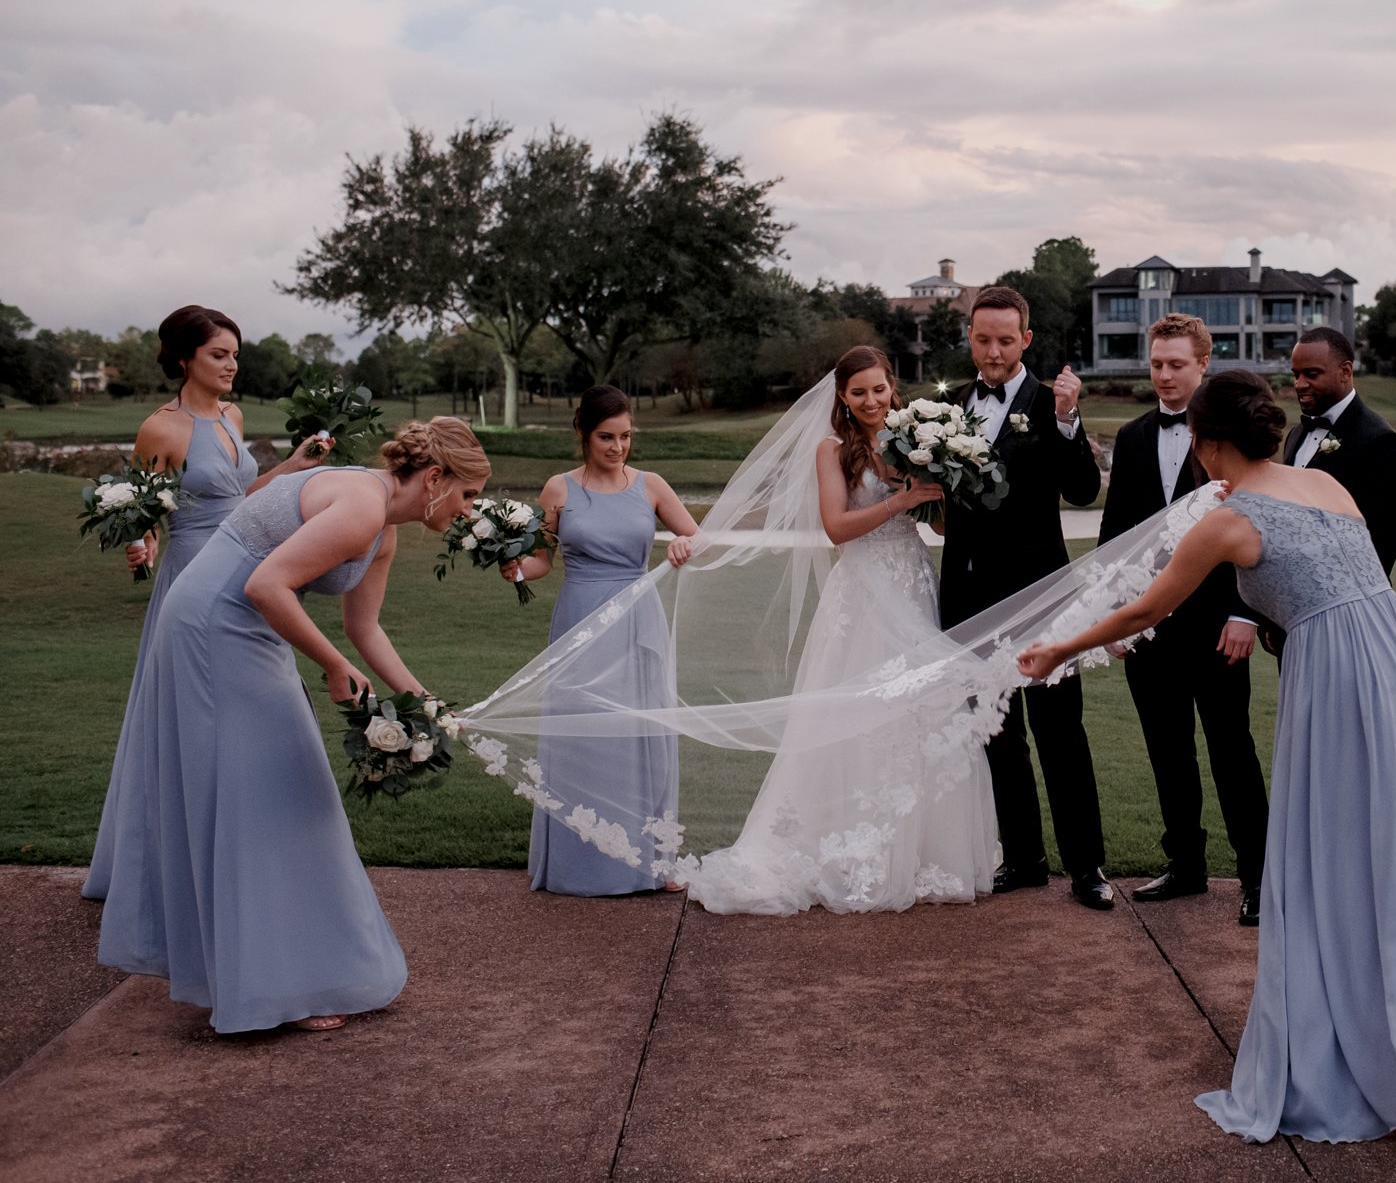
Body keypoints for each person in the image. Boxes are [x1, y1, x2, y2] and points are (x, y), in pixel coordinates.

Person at [1019, 370, 1396, 1144]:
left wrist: (1059, 648)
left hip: (1340, 678)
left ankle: (1355, 1052)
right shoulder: (1323, 482)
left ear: (1212, 443)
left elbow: (1149, 608)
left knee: (1335, 855)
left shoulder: (1229, 517)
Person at [96, 418, 490, 1032]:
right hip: (213, 627)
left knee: (279, 792)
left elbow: (367, 630)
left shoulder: (380, 529)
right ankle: (283, 981)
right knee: (280, 790)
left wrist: (427, 701)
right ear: (435, 479)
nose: (470, 510)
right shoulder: (360, 503)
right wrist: (332, 666)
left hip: (247, 627)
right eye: (467, 494)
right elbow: (265, 584)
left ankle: (275, 969)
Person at [684, 347, 999, 913]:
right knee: (856, 717)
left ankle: (925, 851)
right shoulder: (831, 450)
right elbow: (836, 528)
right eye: (859, 393)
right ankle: (848, 850)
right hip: (863, 596)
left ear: (893, 388)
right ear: (842, 399)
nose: (871, 401)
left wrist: (946, 482)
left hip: (915, 590)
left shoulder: (916, 438)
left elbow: (944, 524)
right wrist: (901, 500)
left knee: (924, 713)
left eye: (879, 390)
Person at [83, 305, 323, 902]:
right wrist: (139, 546)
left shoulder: (231, 415)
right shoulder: (160, 429)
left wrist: (292, 468)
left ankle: (252, 840)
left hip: (244, 569)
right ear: (185, 358)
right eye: (219, 355)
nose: (231, 365)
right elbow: (145, 513)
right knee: (193, 712)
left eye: (235, 354)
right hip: (191, 574)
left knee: (253, 703)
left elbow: (240, 496)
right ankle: (174, 859)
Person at [941, 287, 1112, 911]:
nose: (992, 351)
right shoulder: (951, 406)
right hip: (966, 594)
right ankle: (1024, 858)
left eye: (1005, 341)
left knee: (1060, 731)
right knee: (996, 730)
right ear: (970, 338)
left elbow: (1084, 489)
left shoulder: (1050, 403)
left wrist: (1068, 421)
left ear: (1026, 341)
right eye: (982, 339)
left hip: (1042, 596)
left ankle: (1087, 867)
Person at [1099, 314, 1267, 926]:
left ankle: (1259, 877)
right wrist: (1114, 615)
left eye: (1176, 365)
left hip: (1220, 625)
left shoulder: (1236, 437)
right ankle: (1186, 866)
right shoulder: (1135, 434)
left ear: (1204, 364)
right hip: (1149, 626)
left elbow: (1260, 524)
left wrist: (1244, 613)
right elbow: (1115, 536)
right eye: (1156, 364)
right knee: (1167, 751)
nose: (1164, 376)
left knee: (1232, 752)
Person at [501, 385, 700, 896]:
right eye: (606, 437)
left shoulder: (651, 485)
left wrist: (682, 542)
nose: (617, 447)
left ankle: (652, 861)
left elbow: (698, 535)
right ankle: (578, 864)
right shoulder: (559, 489)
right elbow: (542, 561)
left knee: (640, 730)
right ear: (584, 436)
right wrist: (517, 570)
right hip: (582, 616)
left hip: (638, 618)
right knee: (580, 731)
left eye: (626, 436)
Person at [1282, 327, 1396, 576]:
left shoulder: (1382, 442)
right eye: (1295, 375)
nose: (1299, 384)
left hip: (1345, 599)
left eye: (1311, 374)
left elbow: (1379, 546)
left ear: (1345, 372)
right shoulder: (1296, 435)